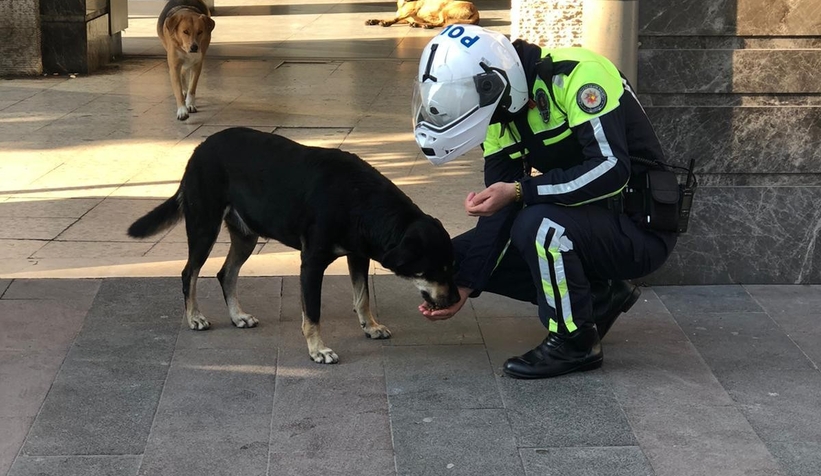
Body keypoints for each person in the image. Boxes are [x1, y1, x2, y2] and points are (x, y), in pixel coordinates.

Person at [411, 25, 678, 379]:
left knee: (538, 225)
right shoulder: (500, 114)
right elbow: (501, 207)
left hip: (637, 227)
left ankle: (575, 342)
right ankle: (599, 297)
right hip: (583, 222)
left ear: (493, 83)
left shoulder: (578, 75)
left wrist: (523, 190)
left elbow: (611, 169)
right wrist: (464, 282)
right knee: (456, 260)